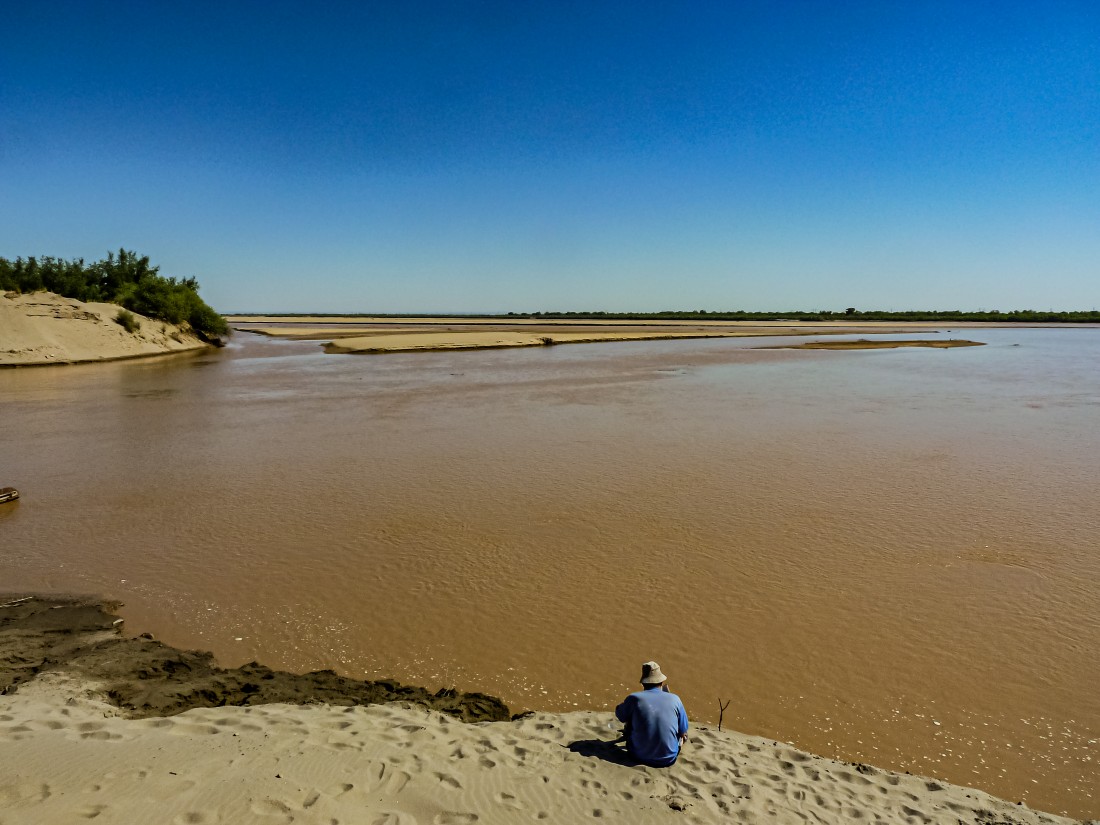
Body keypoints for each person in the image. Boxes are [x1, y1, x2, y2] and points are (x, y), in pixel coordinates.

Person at [615, 661, 689, 767]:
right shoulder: (675, 699)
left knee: (632, 716)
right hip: (668, 759)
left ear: (643, 683)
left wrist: (624, 706)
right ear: (661, 682)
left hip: (637, 756)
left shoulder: (634, 698)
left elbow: (620, 715)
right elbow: (683, 730)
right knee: (683, 734)